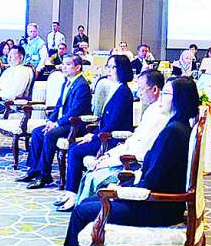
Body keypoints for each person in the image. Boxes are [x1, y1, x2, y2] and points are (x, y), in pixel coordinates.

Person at [44, 77, 200, 246]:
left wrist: (124, 191)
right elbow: (155, 174)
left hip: (157, 207)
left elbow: (154, 180)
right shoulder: (178, 127)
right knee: (87, 202)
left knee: (81, 211)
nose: (162, 99)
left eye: (166, 94)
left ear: (179, 99)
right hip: (161, 202)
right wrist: (126, 186)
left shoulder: (174, 132)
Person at [64, 70, 170, 209]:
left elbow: (140, 149)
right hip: (124, 152)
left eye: (141, 89)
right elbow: (133, 140)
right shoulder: (152, 110)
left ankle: (90, 211)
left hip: (133, 162)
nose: (138, 94)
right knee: (87, 165)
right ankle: (82, 207)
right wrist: (108, 155)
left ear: (155, 89)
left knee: (93, 176)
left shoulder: (160, 116)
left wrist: (109, 161)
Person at [55, 57, 135, 200]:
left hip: (112, 139)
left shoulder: (123, 92)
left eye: (112, 67)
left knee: (75, 151)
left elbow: (114, 122)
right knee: (74, 148)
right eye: (108, 67)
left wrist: (93, 135)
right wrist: (93, 133)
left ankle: (72, 194)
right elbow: (106, 121)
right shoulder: (115, 88)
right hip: (104, 134)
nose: (108, 70)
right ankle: (71, 193)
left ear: (121, 69)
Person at [18, 54, 92, 189]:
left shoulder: (82, 85)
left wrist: (56, 124)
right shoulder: (67, 82)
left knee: (50, 134)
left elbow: (75, 111)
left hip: (76, 124)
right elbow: (59, 106)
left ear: (77, 67)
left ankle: (44, 175)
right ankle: (34, 170)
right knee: (37, 132)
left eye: (68, 64)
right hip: (64, 122)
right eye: (63, 64)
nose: (64, 67)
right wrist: (50, 121)